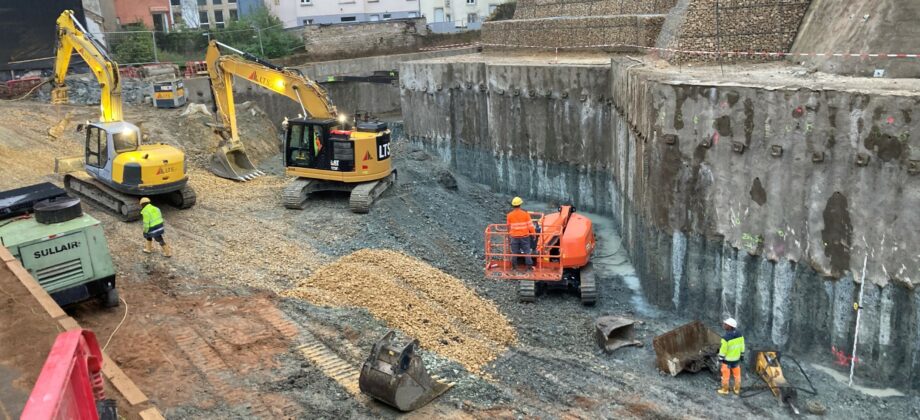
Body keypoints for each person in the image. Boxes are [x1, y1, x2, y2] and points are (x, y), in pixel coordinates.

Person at [506, 196, 536, 270]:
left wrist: (509, 234)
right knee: (527, 252)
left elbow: (508, 227)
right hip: (524, 237)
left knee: (514, 252)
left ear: (513, 205)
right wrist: (534, 234)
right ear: (520, 204)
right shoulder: (525, 214)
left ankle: (514, 267)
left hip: (514, 237)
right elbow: (530, 226)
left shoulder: (509, 215)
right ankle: (529, 267)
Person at [718, 317, 745, 395]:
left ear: (730, 326)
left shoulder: (725, 338)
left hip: (727, 361)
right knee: (737, 376)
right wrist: (742, 355)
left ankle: (725, 390)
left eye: (725, 324)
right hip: (736, 360)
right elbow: (742, 346)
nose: (724, 325)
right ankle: (737, 389)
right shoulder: (740, 335)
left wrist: (720, 359)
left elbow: (723, 350)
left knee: (725, 376)